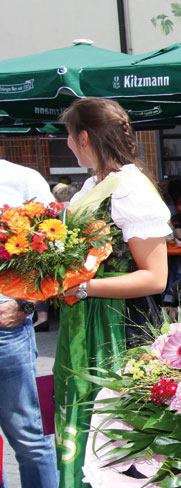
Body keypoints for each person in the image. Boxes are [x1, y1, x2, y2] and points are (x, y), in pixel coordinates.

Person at [55, 97, 171, 488]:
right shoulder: (95, 185)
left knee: (113, 438)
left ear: (84, 137)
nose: (68, 144)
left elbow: (155, 278)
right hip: (86, 320)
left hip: (120, 327)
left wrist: (84, 286)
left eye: (69, 136)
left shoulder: (131, 189)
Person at [0, 159, 58, 488]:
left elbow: (55, 254)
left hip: (5, 326)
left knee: (29, 438)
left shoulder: (20, 179)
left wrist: (26, 304)